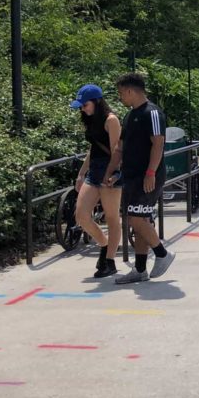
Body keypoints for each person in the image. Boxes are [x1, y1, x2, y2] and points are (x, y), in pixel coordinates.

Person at [103, 73, 175, 284]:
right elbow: (120, 147)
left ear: (130, 91)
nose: (120, 98)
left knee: (136, 218)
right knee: (139, 220)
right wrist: (110, 171)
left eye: (120, 93)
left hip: (147, 176)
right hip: (131, 175)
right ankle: (140, 269)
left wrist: (151, 172)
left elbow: (158, 143)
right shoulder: (129, 115)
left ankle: (162, 254)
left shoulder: (152, 113)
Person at [70, 84, 123, 278]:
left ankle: (109, 260)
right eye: (81, 106)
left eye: (85, 105)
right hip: (95, 170)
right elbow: (94, 149)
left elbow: (117, 150)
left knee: (111, 217)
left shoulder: (111, 120)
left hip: (110, 170)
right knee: (81, 214)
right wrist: (81, 173)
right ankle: (104, 243)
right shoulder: (91, 120)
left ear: (97, 102)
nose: (83, 109)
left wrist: (113, 173)